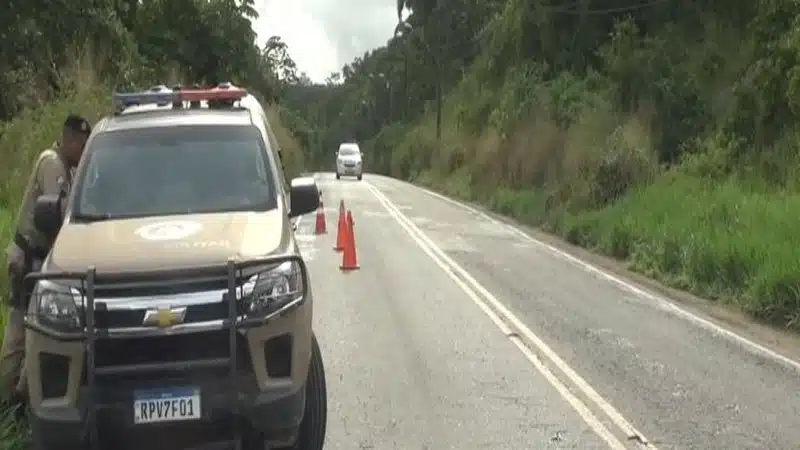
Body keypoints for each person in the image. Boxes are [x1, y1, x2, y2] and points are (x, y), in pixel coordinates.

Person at [0, 114, 91, 414]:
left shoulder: (67, 167)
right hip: (28, 258)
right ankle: (6, 401)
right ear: (70, 141)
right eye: (82, 145)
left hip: (39, 259)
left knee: (35, 332)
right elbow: (58, 217)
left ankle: (21, 401)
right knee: (18, 334)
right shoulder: (52, 163)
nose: (84, 152)